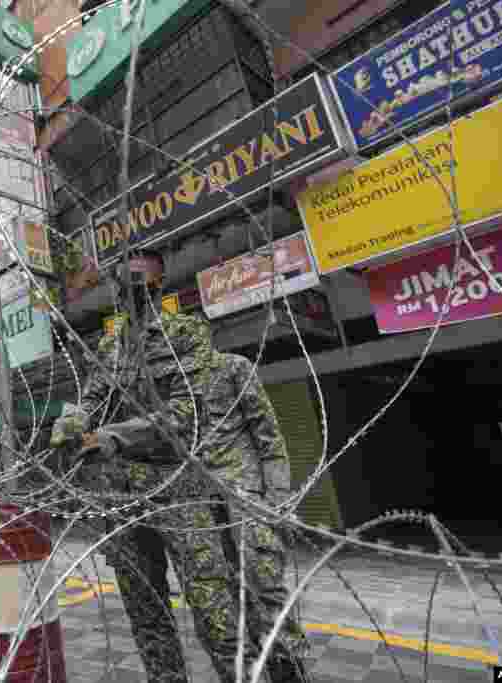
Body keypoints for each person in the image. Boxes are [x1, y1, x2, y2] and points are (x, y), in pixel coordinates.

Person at [50, 249, 309, 683]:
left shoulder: (184, 334)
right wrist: (71, 424)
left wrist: (114, 437)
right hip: (120, 495)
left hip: (177, 488)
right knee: (145, 610)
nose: (130, 290)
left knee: (215, 608)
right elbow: (90, 399)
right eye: (123, 281)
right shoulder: (108, 347)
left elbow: (186, 415)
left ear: (158, 286)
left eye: (141, 281)